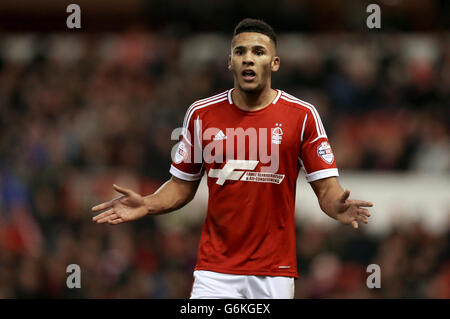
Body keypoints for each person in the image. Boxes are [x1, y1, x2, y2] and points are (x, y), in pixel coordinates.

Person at [91, 18, 373, 299]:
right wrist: (148, 203)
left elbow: (326, 189)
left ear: (274, 63)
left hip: (274, 271)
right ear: (230, 62)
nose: (248, 59)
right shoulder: (202, 114)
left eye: (258, 52)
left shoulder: (302, 116)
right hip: (215, 272)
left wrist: (336, 205)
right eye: (240, 52)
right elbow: (181, 186)